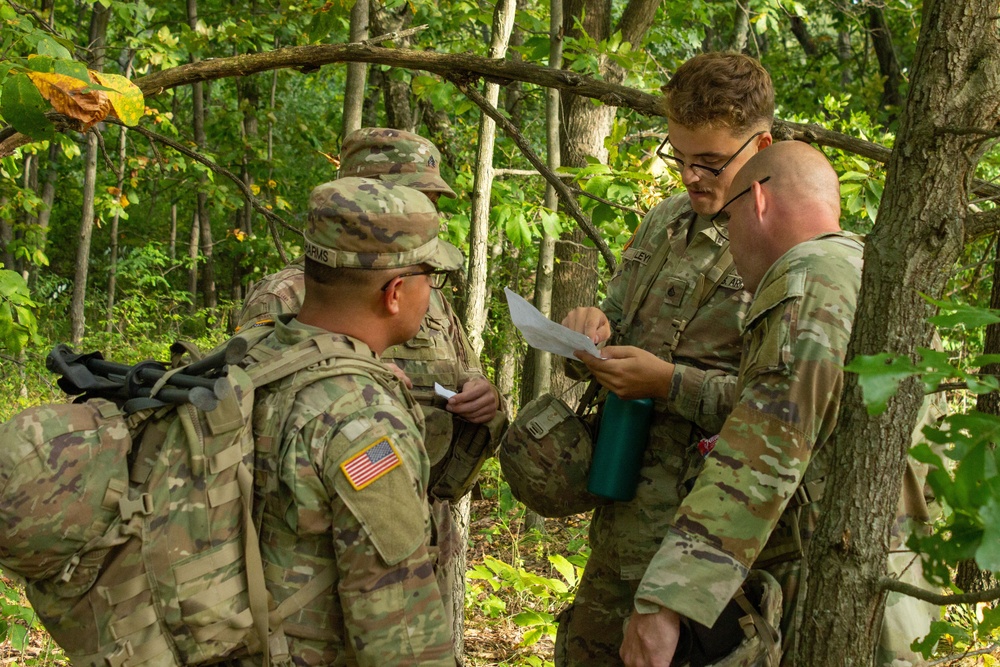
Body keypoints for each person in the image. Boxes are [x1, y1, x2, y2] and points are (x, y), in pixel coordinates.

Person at [620, 141, 939, 667]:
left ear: (759, 200)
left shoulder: (807, 277)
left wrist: (667, 599)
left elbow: (763, 452)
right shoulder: (863, 270)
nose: (729, 236)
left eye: (730, 217)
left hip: (832, 592)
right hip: (894, 583)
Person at [237, 127, 505, 628]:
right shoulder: (289, 296)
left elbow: (467, 371)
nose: (428, 211)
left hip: (422, 530)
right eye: (413, 196)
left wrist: (486, 401)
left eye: (430, 198)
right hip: (322, 558)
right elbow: (253, 431)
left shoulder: (430, 294)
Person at [555, 52, 773, 664]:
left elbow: (786, 412)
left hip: (710, 544)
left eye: (709, 162)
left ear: (762, 144)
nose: (689, 176)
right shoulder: (666, 221)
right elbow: (620, 320)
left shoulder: (786, 241)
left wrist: (670, 384)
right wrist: (589, 333)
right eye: (677, 157)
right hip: (622, 512)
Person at [246, 177, 459, 665]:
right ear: (396, 293)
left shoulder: (252, 357)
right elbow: (402, 641)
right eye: (432, 277)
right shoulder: (363, 423)